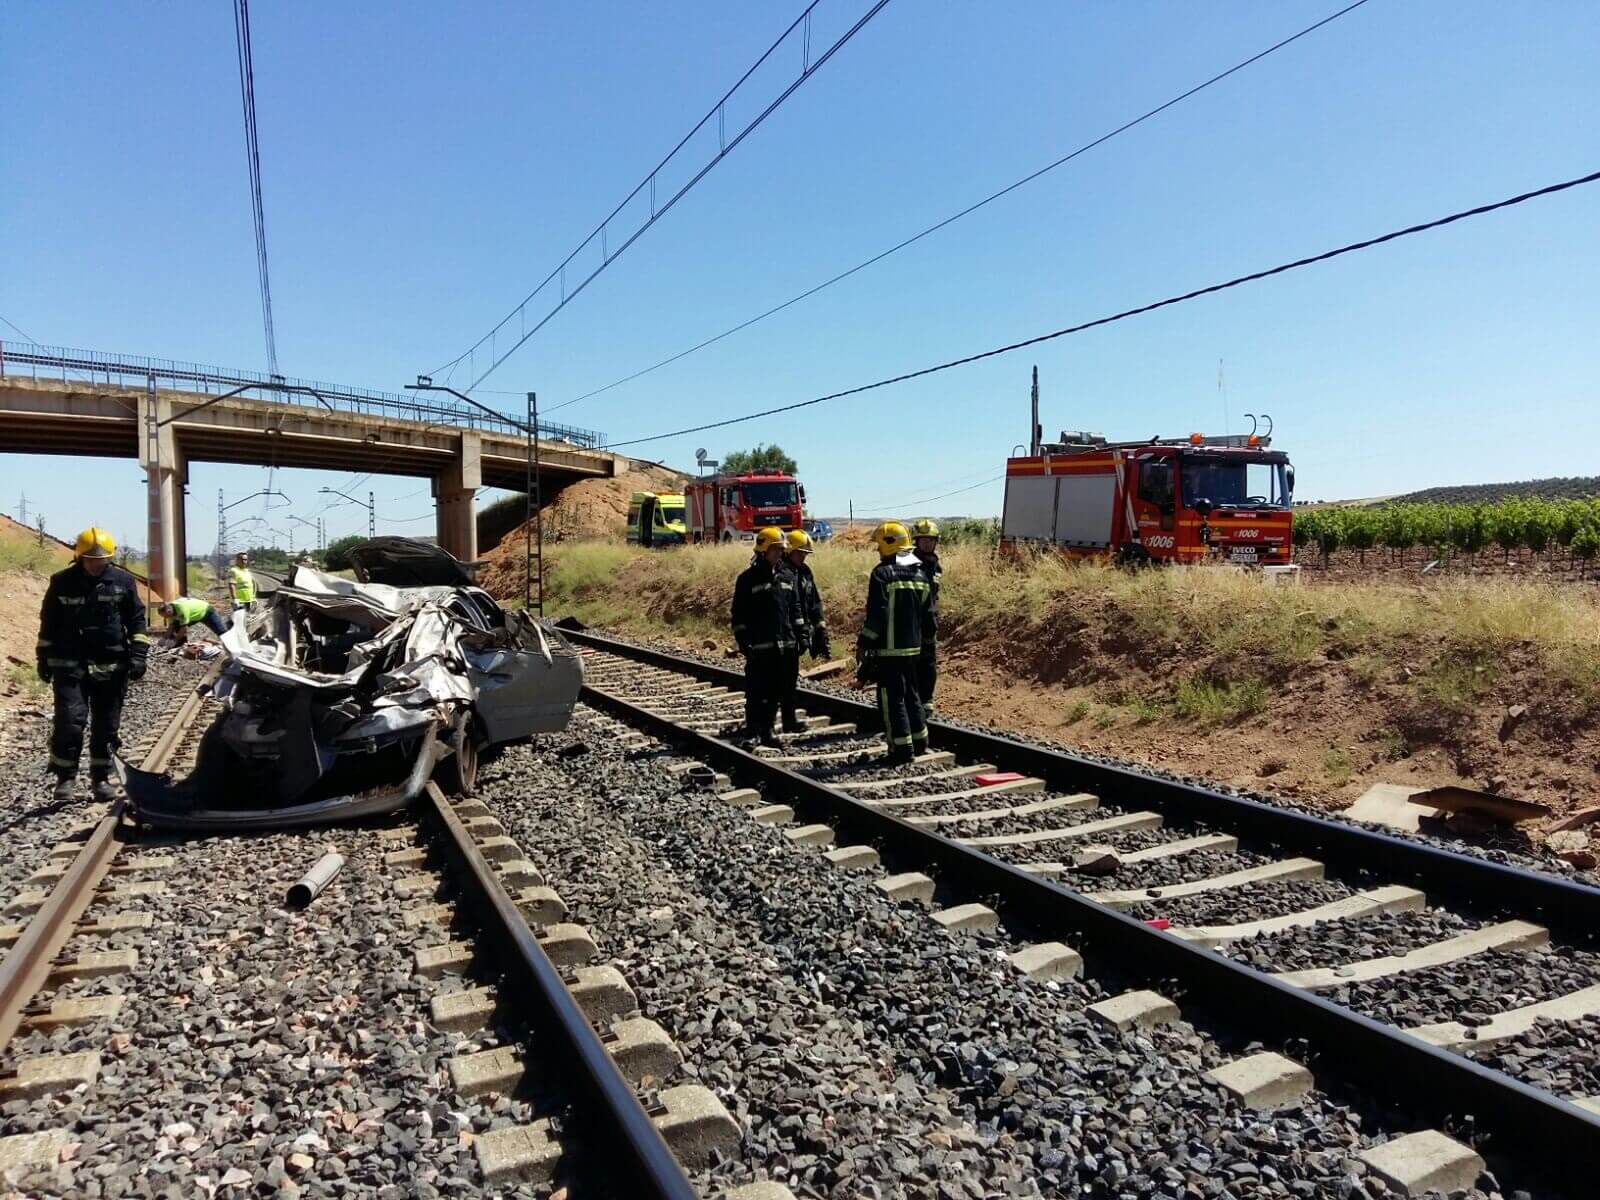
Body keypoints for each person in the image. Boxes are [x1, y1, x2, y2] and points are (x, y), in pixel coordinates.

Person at [35, 527, 149, 801]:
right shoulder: (61, 582)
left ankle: (100, 778)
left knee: (106, 726)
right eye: (91, 559)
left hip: (112, 667)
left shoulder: (123, 581)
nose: (97, 564)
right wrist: (43, 658)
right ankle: (65, 778)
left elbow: (136, 620)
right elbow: (48, 623)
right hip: (69, 665)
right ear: (79, 557)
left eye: (102, 559)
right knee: (70, 721)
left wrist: (138, 655)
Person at [856, 521, 932, 763]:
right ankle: (920, 742)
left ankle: (900, 750)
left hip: (889, 650)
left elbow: (877, 614)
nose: (878, 551)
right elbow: (929, 616)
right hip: (914, 649)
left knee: (892, 698)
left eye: (879, 545)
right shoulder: (921, 573)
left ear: (889, 545)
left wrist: (864, 642)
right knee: (912, 694)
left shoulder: (881, 574)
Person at [730, 527, 801, 747]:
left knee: (776, 691)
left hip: (784, 646)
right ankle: (752, 731)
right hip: (759, 647)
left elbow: (795, 608)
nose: (780, 554)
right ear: (763, 550)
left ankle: (768, 731)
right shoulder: (747, 579)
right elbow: (738, 614)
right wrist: (743, 641)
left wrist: (802, 634)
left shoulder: (788, 576)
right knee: (755, 691)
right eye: (776, 549)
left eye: (782, 550)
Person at [781, 528, 828, 732]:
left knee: (790, 679)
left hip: (799, 634)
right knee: (779, 680)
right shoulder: (782, 572)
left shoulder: (806, 573)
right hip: (784, 634)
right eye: (800, 553)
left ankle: (789, 721)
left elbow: (814, 603)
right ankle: (767, 725)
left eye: (805, 554)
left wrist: (820, 633)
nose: (803, 557)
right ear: (788, 551)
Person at [910, 518, 942, 710]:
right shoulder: (907, 562)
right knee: (911, 662)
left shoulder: (935, 565)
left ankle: (926, 699)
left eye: (931, 539)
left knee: (928, 662)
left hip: (928, 622)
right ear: (916, 541)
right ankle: (912, 698)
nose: (928, 543)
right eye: (924, 539)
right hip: (911, 621)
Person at [158, 596, 230, 639]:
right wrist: (164, 638)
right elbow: (171, 627)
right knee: (176, 626)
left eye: (166, 616)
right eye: (164, 617)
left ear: (169, 611)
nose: (166, 618)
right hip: (195, 615)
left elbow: (184, 628)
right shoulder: (170, 611)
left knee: (222, 633)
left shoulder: (181, 609)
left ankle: (233, 647)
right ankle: (180, 645)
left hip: (206, 611)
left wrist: (175, 640)